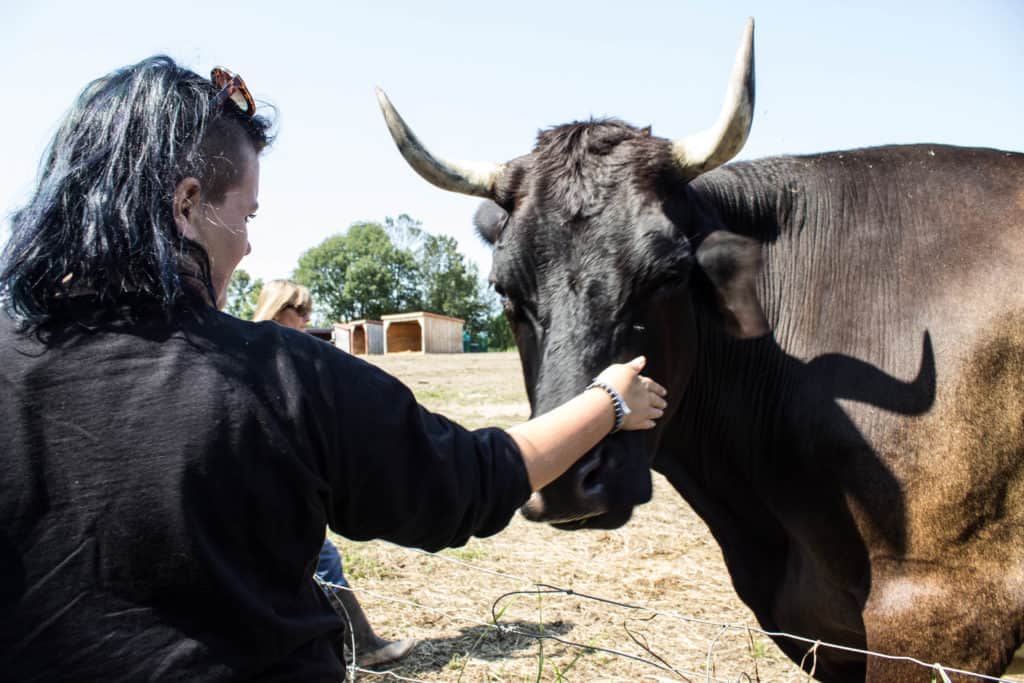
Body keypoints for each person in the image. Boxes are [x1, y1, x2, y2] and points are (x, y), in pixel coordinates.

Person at [0, 56, 667, 681]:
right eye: (246, 212)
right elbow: (469, 479)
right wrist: (608, 400)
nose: (251, 240)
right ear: (186, 204)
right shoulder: (276, 377)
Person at [252, 279, 416, 667]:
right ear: (279, 310)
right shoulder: (279, 353)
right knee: (321, 559)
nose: (308, 320)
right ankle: (363, 648)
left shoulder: (251, 346)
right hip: (274, 483)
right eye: (301, 312)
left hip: (268, 481)